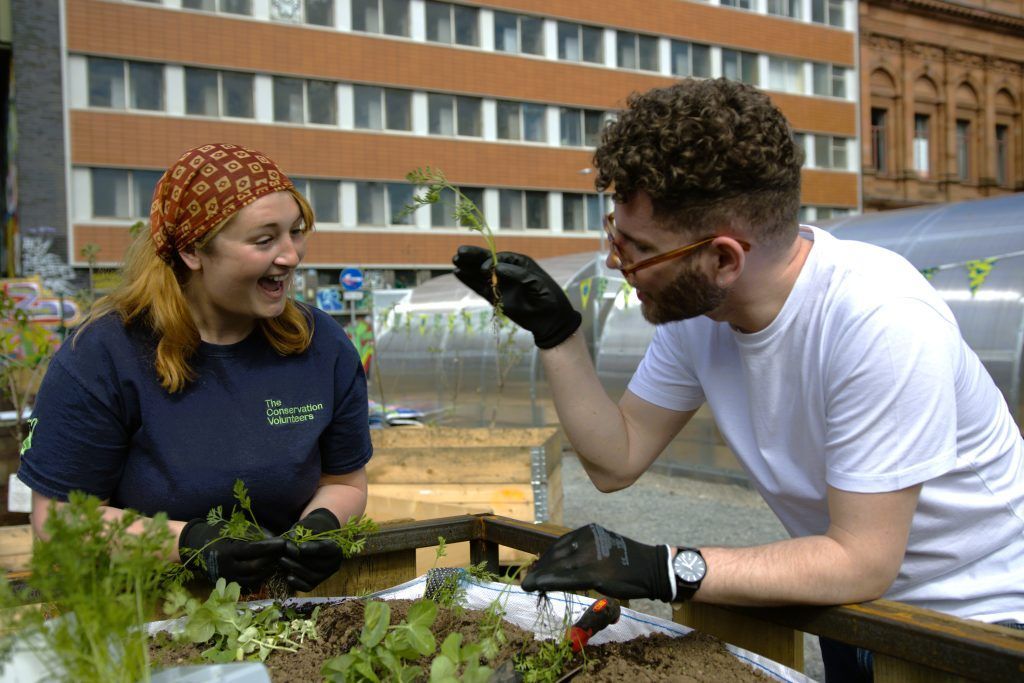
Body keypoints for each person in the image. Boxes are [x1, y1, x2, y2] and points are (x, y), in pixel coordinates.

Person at [451, 79, 1024, 680]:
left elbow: (862, 558)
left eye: (638, 247)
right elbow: (616, 460)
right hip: (855, 614)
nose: (619, 262)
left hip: (980, 622)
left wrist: (667, 568)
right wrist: (556, 333)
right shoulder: (701, 315)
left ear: (723, 259)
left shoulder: (880, 321)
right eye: (614, 235)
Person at [18, 142, 372, 593]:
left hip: (283, 614)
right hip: (144, 615)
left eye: (295, 232)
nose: (291, 255)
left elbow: (344, 481)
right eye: (264, 240)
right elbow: (59, 518)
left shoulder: (322, 346)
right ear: (192, 252)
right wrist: (187, 542)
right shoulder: (103, 355)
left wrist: (323, 523)